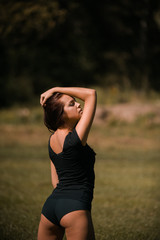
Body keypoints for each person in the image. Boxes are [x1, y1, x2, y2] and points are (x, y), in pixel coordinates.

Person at [38, 87, 97, 240]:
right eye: (71, 104)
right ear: (61, 115)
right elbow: (91, 94)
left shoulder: (52, 141)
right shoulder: (75, 140)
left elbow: (55, 181)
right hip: (75, 207)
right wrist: (55, 88)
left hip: (51, 207)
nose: (78, 105)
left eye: (75, 102)